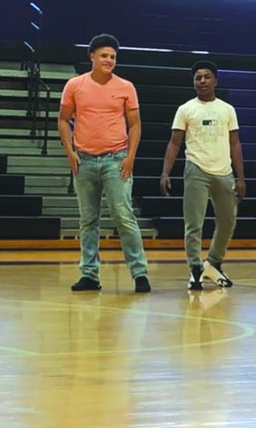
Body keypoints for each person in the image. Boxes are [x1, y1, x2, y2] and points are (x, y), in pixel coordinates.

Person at [58, 33, 151, 293]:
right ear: (92, 56)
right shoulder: (74, 85)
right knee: (88, 220)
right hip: (84, 160)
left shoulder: (126, 87)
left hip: (116, 159)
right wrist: (70, 152)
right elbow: (63, 119)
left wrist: (130, 157)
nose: (109, 60)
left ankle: (140, 273)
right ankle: (89, 275)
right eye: (104, 56)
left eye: (113, 57)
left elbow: (135, 124)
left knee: (124, 216)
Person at [160, 61, 245, 291]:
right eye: (198, 77)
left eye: (207, 77)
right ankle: (195, 269)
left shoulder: (227, 109)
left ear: (215, 80)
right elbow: (174, 143)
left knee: (227, 221)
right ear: (193, 82)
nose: (202, 81)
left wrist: (240, 177)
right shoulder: (186, 109)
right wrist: (165, 172)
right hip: (196, 169)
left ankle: (214, 262)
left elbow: (235, 143)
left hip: (224, 172)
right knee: (194, 224)